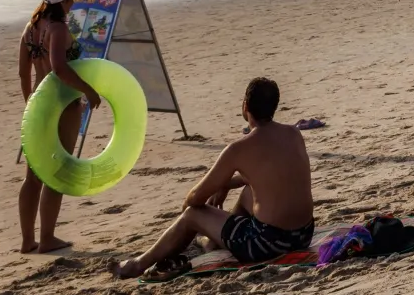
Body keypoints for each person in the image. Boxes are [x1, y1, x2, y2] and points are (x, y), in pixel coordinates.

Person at [110, 77, 313, 278]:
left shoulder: (238, 149)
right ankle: (214, 241)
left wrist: (199, 210)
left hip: (267, 245)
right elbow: (271, 176)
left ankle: (138, 264)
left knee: (192, 214)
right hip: (302, 235)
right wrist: (225, 184)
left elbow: (195, 199)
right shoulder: (293, 134)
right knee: (247, 193)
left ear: (245, 106)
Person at [19, 0, 103, 254]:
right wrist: (89, 92)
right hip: (63, 107)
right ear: (63, 2)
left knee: (32, 176)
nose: (74, 2)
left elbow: (23, 73)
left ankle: (27, 240)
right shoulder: (58, 29)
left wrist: (30, 102)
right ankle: (47, 239)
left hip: (37, 108)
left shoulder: (30, 31)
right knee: (56, 172)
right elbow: (60, 69)